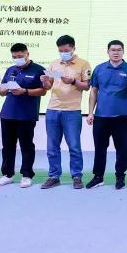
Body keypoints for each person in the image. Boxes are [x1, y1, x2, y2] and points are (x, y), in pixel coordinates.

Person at [40, 35, 91, 190]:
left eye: (66, 50)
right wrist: (45, 81)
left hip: (72, 110)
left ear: (73, 48)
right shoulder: (54, 64)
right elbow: (48, 86)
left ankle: (77, 176)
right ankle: (54, 176)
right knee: (52, 146)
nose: (63, 53)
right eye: (61, 51)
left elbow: (87, 86)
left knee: (74, 145)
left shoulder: (83, 64)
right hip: (53, 109)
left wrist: (73, 81)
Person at [86, 40, 127, 190]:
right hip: (101, 117)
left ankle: (120, 177)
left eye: (119, 50)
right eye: (113, 50)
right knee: (99, 148)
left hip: (121, 117)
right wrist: (90, 113)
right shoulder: (99, 68)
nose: (116, 52)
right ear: (107, 51)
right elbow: (93, 91)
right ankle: (98, 177)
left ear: (123, 51)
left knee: (121, 149)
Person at [0, 43, 47, 188]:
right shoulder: (11, 69)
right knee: (7, 146)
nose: (17, 59)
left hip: (26, 115)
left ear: (27, 54)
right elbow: (1, 91)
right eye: (14, 57)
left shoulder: (39, 70)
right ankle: (7, 174)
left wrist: (25, 91)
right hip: (8, 113)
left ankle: (27, 175)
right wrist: (5, 89)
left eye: (20, 56)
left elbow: (43, 91)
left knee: (26, 146)